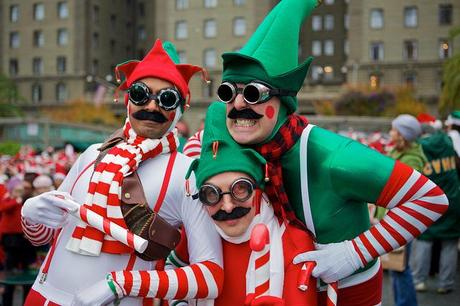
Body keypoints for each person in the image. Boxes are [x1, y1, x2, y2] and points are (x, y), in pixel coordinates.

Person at [185, 0, 449, 304]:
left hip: (346, 292)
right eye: (229, 92)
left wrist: (354, 252)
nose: (239, 104)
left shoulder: (333, 157)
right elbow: (202, 137)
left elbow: (429, 198)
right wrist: (193, 162)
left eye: (254, 93)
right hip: (280, 285)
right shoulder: (240, 134)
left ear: (283, 102)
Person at [20, 40, 223, 306]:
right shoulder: (92, 154)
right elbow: (44, 237)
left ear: (179, 109)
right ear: (128, 101)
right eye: (140, 94)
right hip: (43, 297)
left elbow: (210, 276)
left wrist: (121, 283)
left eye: (167, 98)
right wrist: (30, 214)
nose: (151, 106)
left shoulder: (187, 172)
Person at [170, 106, 318, 306]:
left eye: (240, 189)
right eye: (212, 194)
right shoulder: (199, 231)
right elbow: (172, 270)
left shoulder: (292, 241)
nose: (228, 207)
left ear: (258, 187)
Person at [411, 114, 460, 294]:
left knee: (424, 240)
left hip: (428, 201)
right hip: (452, 199)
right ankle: (445, 283)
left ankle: (419, 280)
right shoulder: (447, 142)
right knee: (449, 243)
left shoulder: (418, 148)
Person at [386, 114, 428, 306]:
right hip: (394, 216)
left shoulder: (411, 159)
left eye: (393, 129)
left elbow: (404, 192)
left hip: (402, 219)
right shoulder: (398, 152)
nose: (390, 132)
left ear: (402, 134)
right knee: (395, 267)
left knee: (400, 267)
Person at [0, 176, 37, 306]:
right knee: (10, 269)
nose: (19, 192)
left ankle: (26, 301)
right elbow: (4, 208)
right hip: (10, 239)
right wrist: (15, 200)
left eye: (20, 190)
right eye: (16, 190)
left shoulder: (23, 199)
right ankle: (7, 300)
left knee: (27, 269)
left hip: (23, 238)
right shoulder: (8, 199)